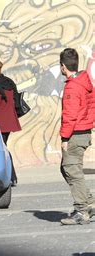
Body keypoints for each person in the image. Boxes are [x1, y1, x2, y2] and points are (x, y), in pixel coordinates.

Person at [58, 48, 95, 225]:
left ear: (63, 66)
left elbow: (70, 115)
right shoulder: (84, 81)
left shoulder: (72, 86)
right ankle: (90, 202)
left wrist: (65, 138)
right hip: (84, 132)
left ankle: (82, 210)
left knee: (72, 171)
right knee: (68, 169)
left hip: (75, 134)